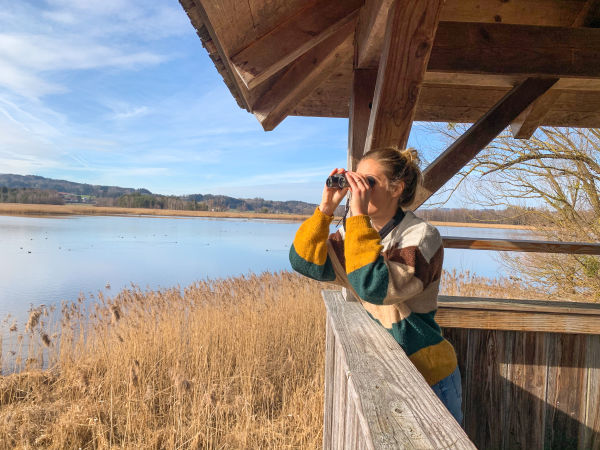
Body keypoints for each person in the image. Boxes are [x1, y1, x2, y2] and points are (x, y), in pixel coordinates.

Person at [289, 147, 463, 425]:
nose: (358, 188)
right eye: (355, 180)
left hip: (428, 374)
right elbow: (304, 261)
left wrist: (357, 217)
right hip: (388, 370)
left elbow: (375, 286)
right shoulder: (353, 235)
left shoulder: (422, 237)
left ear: (396, 189)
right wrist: (326, 209)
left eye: (368, 182)